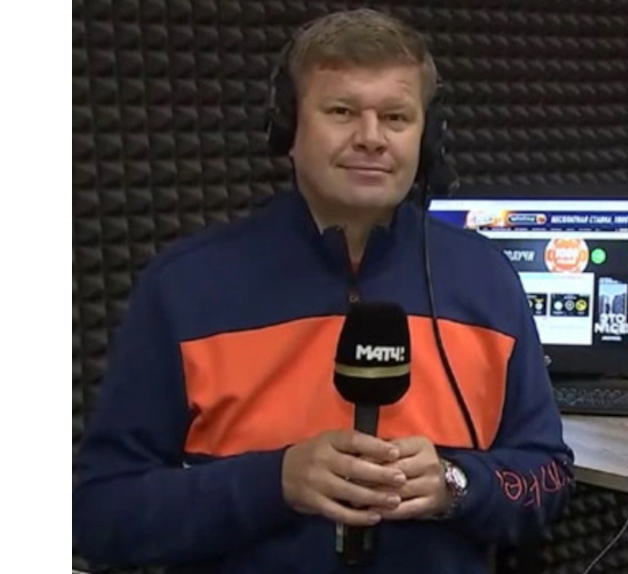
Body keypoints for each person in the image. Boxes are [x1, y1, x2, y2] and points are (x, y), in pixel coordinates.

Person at [72, 9, 575, 574]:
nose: (371, 138)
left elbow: (549, 477)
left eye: (395, 117)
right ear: (287, 129)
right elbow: (102, 516)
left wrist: (456, 484)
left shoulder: (487, 281)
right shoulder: (184, 288)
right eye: (341, 112)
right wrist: (275, 482)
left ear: (427, 137)